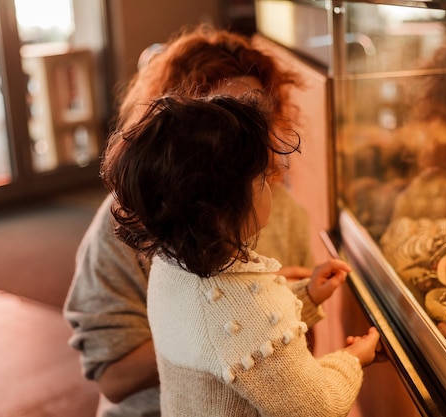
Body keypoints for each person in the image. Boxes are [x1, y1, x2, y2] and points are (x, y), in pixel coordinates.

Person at [64, 25, 319, 417]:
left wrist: (294, 305)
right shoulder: (131, 220)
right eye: (223, 114)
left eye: (255, 114)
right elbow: (112, 378)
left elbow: (298, 358)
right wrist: (241, 321)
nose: (244, 134)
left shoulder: (281, 208)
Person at [100, 92, 381, 417]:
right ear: (220, 207)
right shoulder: (240, 303)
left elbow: (232, 338)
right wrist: (353, 358)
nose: (271, 185)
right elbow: (317, 408)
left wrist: (305, 296)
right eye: (262, 178)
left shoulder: (170, 264)